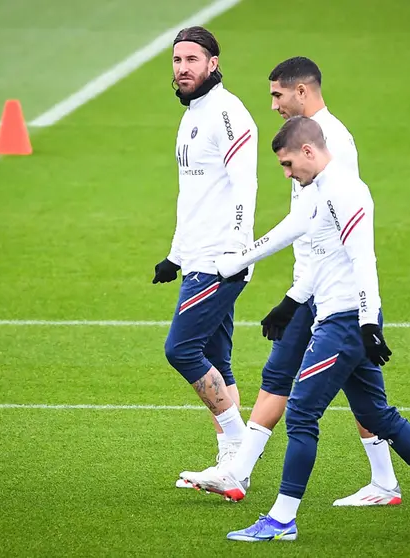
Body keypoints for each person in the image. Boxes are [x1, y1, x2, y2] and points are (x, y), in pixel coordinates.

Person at [226, 117, 410, 541]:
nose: (286, 175)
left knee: (301, 412)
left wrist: (369, 322)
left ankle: (282, 520)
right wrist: (292, 302)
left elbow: (363, 259)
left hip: (344, 324)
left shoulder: (345, 190)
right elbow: (323, 258)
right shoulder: (320, 191)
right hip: (335, 316)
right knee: (376, 413)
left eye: (287, 164)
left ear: (308, 151)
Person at [181, 57, 401, 506]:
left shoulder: (328, 140)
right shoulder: (307, 139)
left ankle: (382, 485)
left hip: (328, 289)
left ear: (302, 92)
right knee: (288, 375)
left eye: (278, 95)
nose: (274, 105)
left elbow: (311, 223)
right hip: (313, 286)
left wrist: (249, 263)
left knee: (342, 394)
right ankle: (241, 472)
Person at [153, 26, 258, 488]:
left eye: (192, 60)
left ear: (213, 63)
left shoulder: (228, 113)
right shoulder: (194, 112)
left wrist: (237, 247)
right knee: (218, 357)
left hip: (220, 259)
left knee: (181, 349)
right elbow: (192, 193)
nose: (182, 69)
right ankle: (233, 471)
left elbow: (244, 184)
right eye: (177, 61)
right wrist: (175, 255)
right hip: (197, 255)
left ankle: (241, 448)